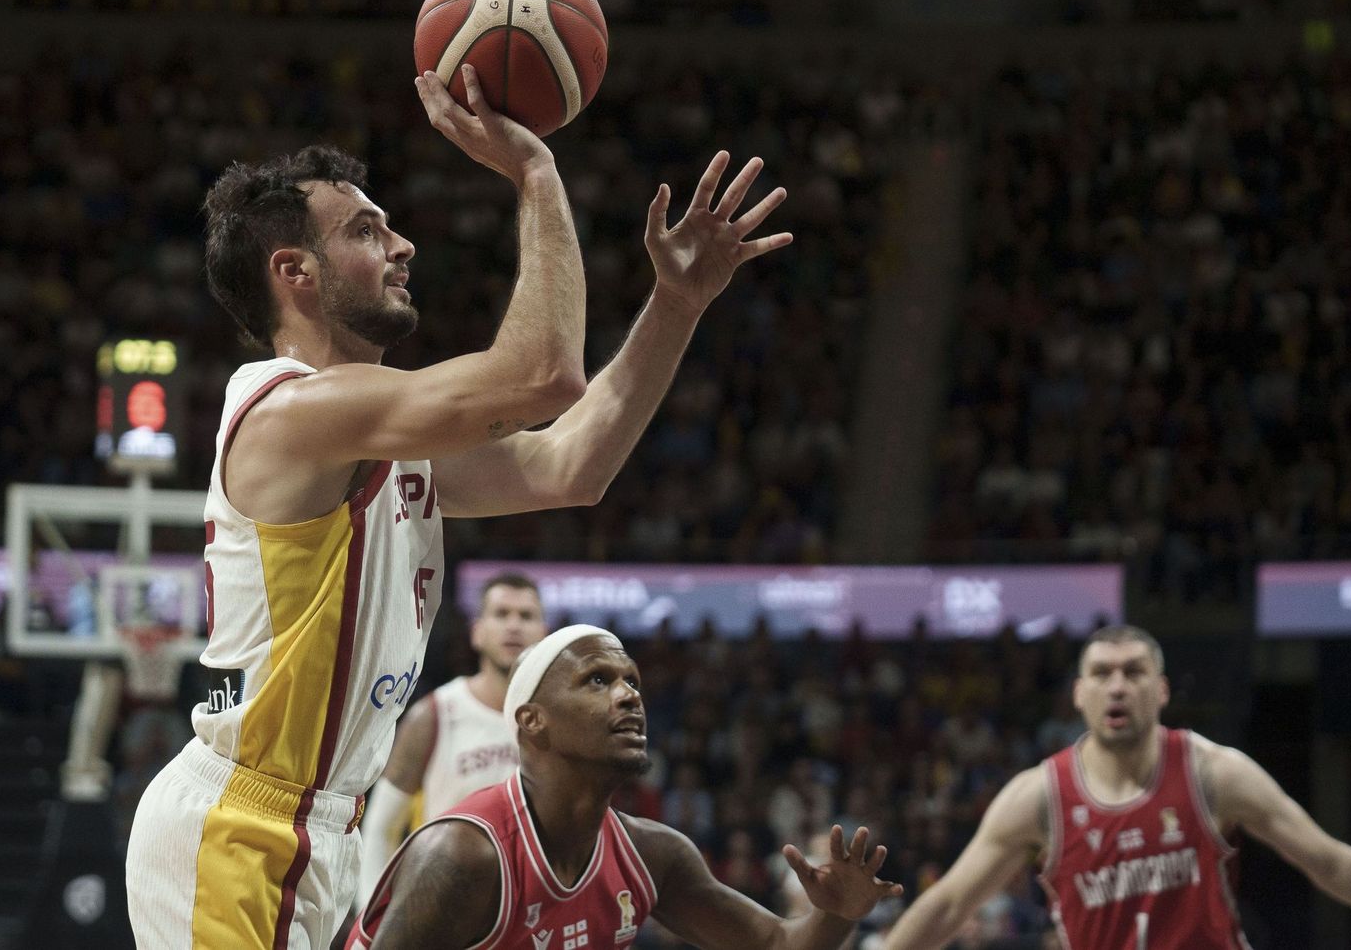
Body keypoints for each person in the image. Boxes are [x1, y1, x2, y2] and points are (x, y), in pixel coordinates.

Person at [126, 62, 795, 949]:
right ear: (296, 272)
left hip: (324, 829)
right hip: (236, 827)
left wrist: (675, 304)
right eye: (367, 230)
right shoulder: (290, 409)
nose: (403, 246)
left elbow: (569, 465)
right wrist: (534, 172)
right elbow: (546, 374)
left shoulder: (381, 437)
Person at [349, 626, 903, 949]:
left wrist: (838, 915)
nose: (629, 696)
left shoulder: (653, 855)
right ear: (533, 721)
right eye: (598, 680)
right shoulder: (464, 855)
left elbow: (779, 944)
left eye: (632, 681)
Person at [884, 624, 1351, 948]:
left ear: (1160, 690)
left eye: (1134, 672)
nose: (1117, 686)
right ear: (1079, 694)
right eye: (1101, 673)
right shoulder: (1038, 798)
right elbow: (948, 905)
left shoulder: (1215, 773)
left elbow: (1326, 859)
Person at [356, 572, 548, 912]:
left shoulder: (561, 722)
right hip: (446, 909)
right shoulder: (435, 714)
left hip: (532, 913)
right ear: (477, 632)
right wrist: (373, 921)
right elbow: (380, 830)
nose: (514, 626)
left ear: (544, 634)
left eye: (526, 616)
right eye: (501, 614)